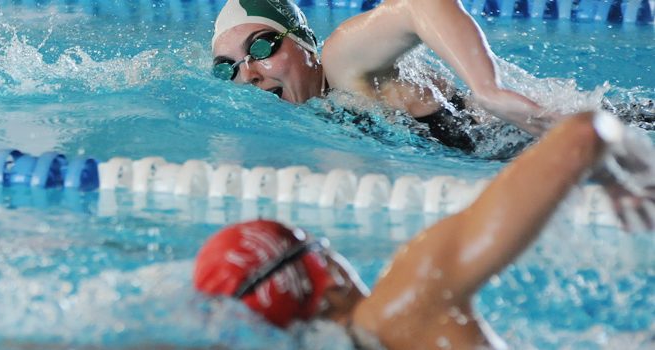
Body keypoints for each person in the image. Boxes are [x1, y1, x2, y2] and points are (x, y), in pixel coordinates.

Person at [193, 110, 655, 349]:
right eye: (322, 247)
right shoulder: (405, 302)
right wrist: (621, 170)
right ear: (327, 277)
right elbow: (582, 135)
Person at [211, 0, 559, 151]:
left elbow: (418, 5)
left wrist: (488, 89)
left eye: (261, 48)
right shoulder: (315, 108)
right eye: (228, 67)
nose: (249, 74)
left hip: (545, 133)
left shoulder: (340, 63)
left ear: (307, 44)